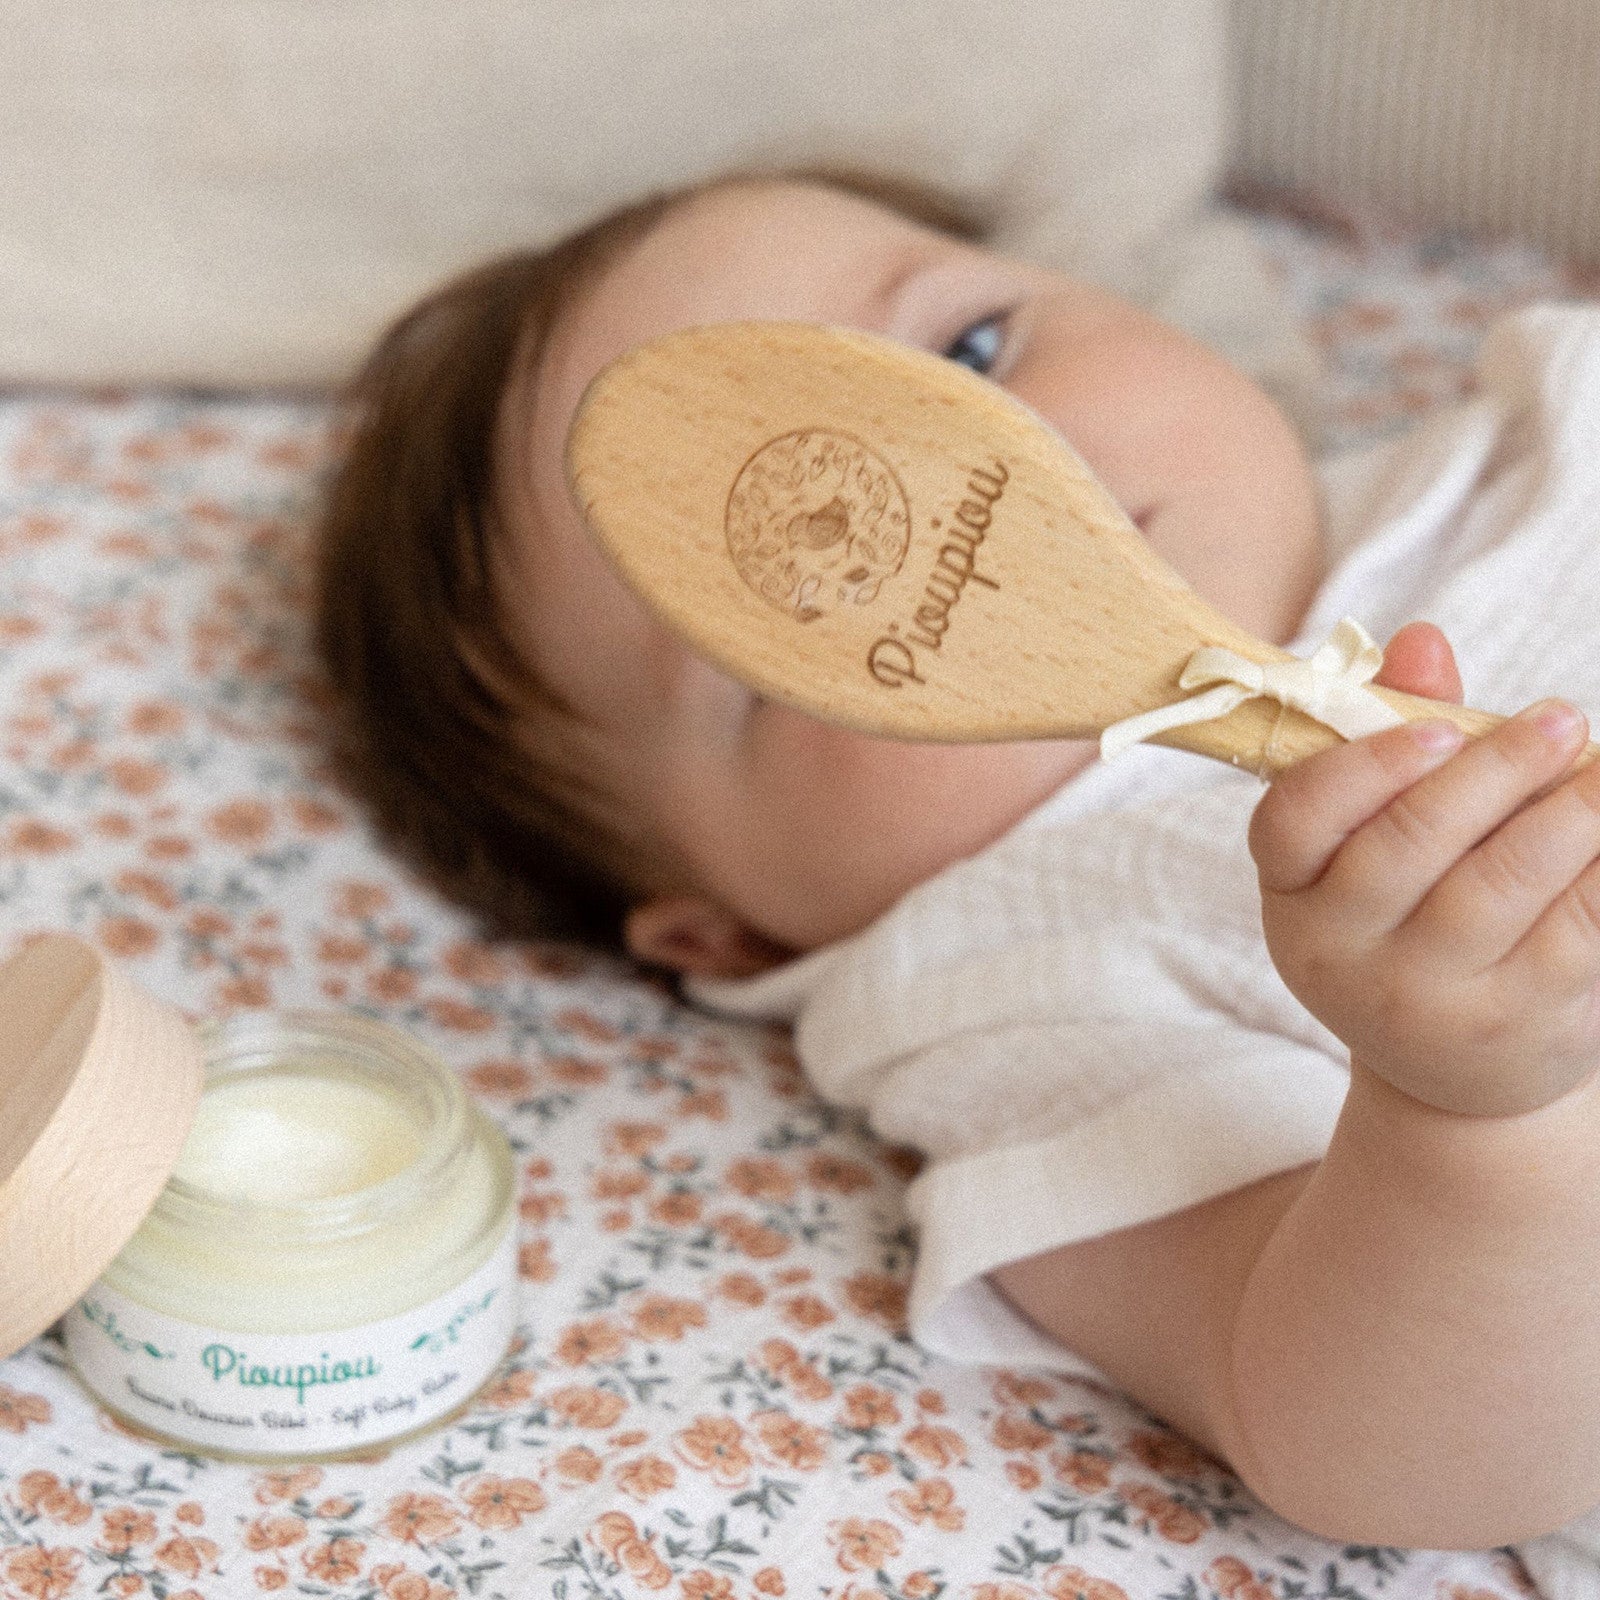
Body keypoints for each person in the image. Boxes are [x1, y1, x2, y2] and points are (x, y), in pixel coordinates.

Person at [315, 167, 1600, 1551]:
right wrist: (1471, 1116)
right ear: (735, 936)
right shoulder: (1004, 986)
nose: (982, 498)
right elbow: (1398, 1463)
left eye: (971, 354)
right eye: (787, 613)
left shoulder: (1525, 430)